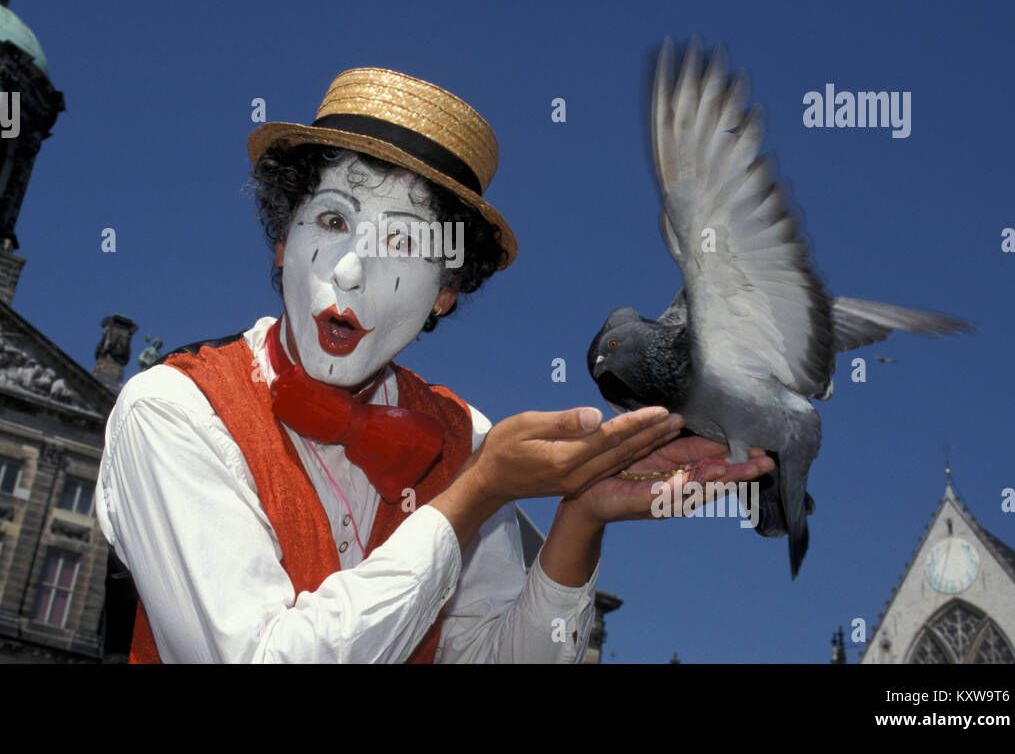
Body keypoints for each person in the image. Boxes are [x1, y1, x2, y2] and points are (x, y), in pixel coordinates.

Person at [95, 67, 773, 663]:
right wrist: (472, 497)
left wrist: (580, 518)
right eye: (332, 223)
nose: (355, 269)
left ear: (444, 294)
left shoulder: (465, 437)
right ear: (282, 239)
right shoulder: (171, 411)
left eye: (404, 242)